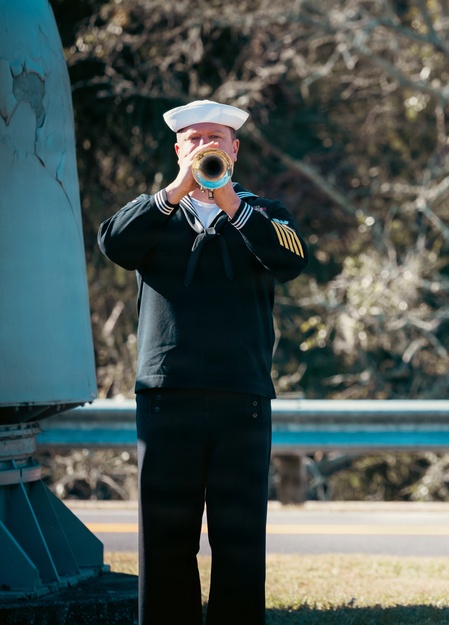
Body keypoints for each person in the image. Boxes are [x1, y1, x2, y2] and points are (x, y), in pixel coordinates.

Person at [99, 100, 308, 625]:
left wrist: (230, 202)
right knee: (165, 542)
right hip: (168, 396)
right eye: (195, 139)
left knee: (239, 542)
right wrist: (174, 192)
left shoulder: (264, 213)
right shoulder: (154, 212)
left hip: (243, 397)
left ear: (235, 150)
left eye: (216, 139)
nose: (206, 147)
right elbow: (114, 243)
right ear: (178, 149)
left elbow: (292, 260)